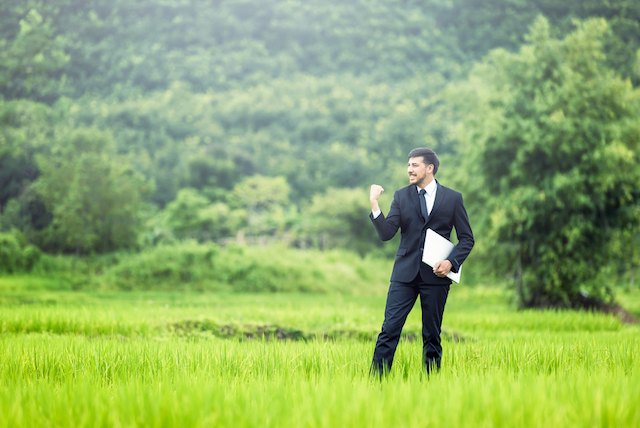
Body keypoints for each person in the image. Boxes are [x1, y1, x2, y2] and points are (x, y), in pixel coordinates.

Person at [369, 147, 474, 375]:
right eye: (408, 165)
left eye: (414, 165)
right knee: (389, 330)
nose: (409, 169)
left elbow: (467, 239)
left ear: (429, 168)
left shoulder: (453, 198)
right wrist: (375, 204)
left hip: (436, 277)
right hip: (404, 276)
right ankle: (375, 383)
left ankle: (430, 385)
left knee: (432, 335)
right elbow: (387, 233)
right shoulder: (401, 196)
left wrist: (451, 262)